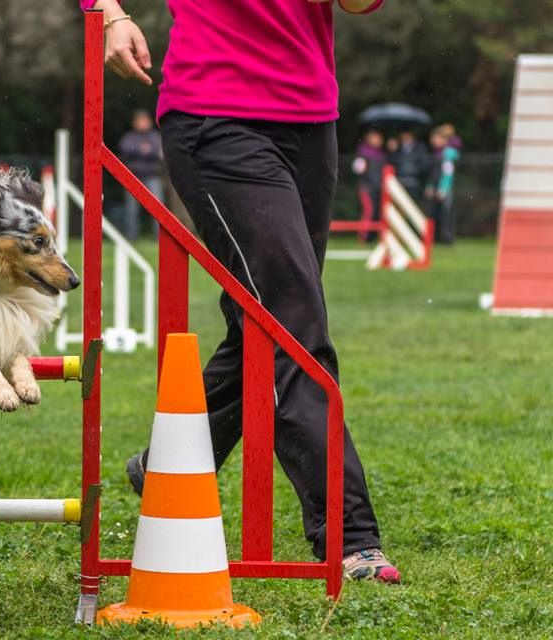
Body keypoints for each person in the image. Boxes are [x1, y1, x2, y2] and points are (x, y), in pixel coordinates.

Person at [84, 0, 401, 582]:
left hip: (311, 119)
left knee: (263, 320)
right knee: (291, 325)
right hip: (217, 116)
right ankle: (350, 535)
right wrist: (107, 11)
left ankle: (168, 463)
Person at [117, 109, 164, 240]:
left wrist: (138, 151)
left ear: (149, 122)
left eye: (144, 121)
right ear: (135, 123)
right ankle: (131, 237)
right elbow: (125, 148)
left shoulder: (155, 136)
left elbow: (159, 151)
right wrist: (144, 150)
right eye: (140, 121)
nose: (142, 123)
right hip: (133, 177)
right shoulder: (129, 137)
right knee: (131, 210)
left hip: (152, 176)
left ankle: (159, 236)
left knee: (158, 208)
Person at [426, 125, 461, 244]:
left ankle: (447, 238)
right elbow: (433, 172)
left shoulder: (448, 153)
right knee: (434, 213)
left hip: (445, 188)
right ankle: (433, 237)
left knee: (446, 213)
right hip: (436, 186)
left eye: (436, 138)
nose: (433, 140)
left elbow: (448, 172)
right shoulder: (437, 153)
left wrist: (443, 188)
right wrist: (430, 186)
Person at [352, 129, 386, 242]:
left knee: (376, 211)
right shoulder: (362, 152)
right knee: (369, 210)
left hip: (378, 187)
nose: (378, 140)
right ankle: (363, 237)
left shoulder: (381, 154)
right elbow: (357, 169)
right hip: (366, 187)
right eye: (375, 138)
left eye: (379, 138)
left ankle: (372, 236)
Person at [392, 129, 429, 205]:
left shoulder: (420, 148)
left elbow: (425, 165)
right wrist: (392, 151)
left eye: (407, 135)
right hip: (399, 182)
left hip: (414, 183)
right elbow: (391, 163)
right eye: (403, 135)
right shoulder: (397, 148)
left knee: (413, 205)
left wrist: (414, 171)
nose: (405, 137)